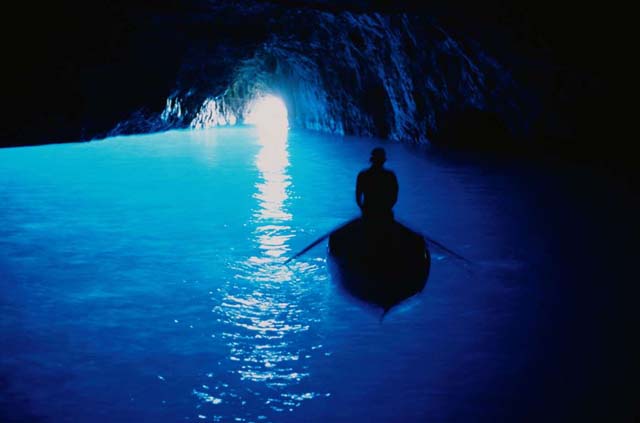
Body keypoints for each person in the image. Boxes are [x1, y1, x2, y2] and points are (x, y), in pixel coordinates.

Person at [356, 147, 398, 222]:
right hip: (385, 213)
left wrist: (363, 209)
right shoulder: (390, 175)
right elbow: (394, 196)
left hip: (368, 213)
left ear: (372, 160)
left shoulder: (363, 175)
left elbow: (358, 196)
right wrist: (387, 208)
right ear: (384, 161)